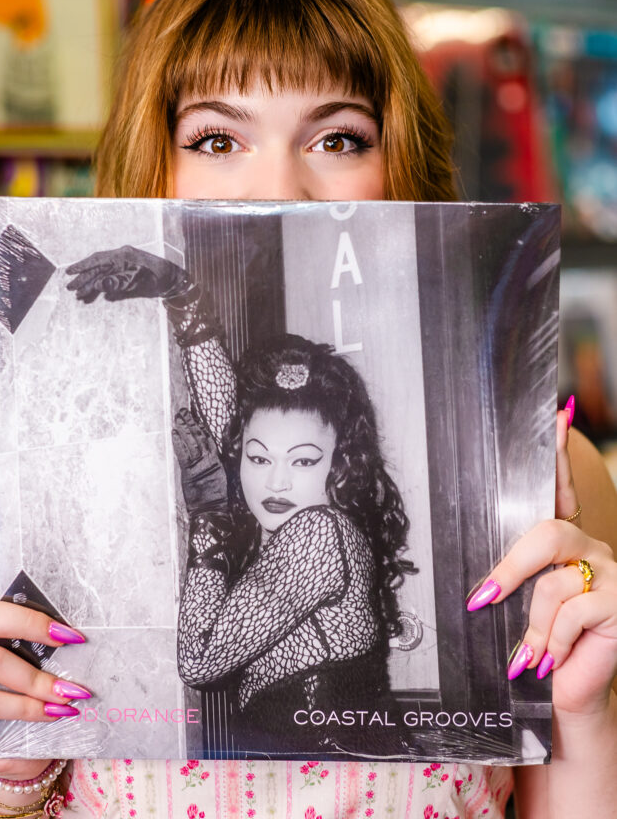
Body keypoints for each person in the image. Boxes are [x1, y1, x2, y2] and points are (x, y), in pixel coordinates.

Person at [0, 0, 616, 818]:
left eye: (337, 136)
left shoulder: (549, 487)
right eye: (216, 137)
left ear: (399, 167)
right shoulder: (2, 506)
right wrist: (6, 771)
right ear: (154, 166)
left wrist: (586, 712)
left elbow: (207, 656)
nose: (279, 187)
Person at [67, 243, 418, 756]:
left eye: (303, 461)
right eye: (259, 460)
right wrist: (180, 294)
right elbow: (231, 424)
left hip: (346, 794)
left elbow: (201, 662)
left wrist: (207, 517)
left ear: (339, 466)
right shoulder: (292, 531)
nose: (275, 483)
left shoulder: (319, 534)